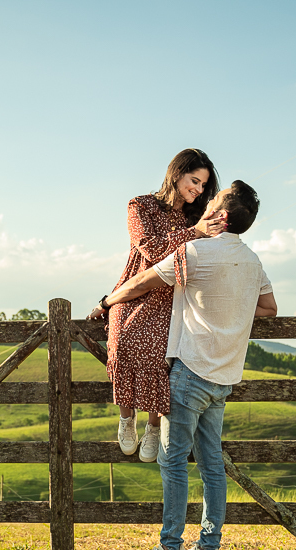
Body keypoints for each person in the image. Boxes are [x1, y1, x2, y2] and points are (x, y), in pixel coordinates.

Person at [88, 180, 277, 550]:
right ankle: (209, 549)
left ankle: (170, 548)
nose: (208, 201)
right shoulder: (253, 260)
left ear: (221, 216)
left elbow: (141, 284)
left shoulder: (193, 252)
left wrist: (106, 301)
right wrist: (232, 311)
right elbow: (268, 307)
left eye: (216, 198)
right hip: (224, 378)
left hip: (191, 372)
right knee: (212, 466)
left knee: (172, 462)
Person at [94, 149, 227, 463]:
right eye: (193, 180)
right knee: (121, 343)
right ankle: (127, 419)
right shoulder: (140, 205)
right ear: (176, 173)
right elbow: (152, 249)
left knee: (161, 358)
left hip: (173, 295)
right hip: (135, 288)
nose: (197, 189)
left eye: (203, 186)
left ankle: (154, 427)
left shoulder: (197, 216)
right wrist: (195, 233)